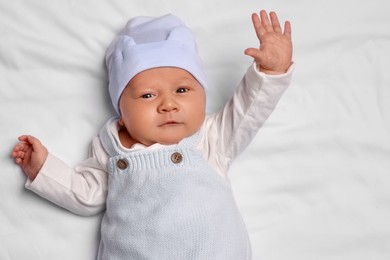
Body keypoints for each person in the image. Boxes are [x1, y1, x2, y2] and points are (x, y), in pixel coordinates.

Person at [11, 10, 293, 259]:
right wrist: (43, 168)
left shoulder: (212, 138)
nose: (168, 104)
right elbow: (86, 194)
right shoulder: (110, 148)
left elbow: (250, 109)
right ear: (121, 113)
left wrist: (270, 71)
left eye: (182, 90)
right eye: (147, 95)